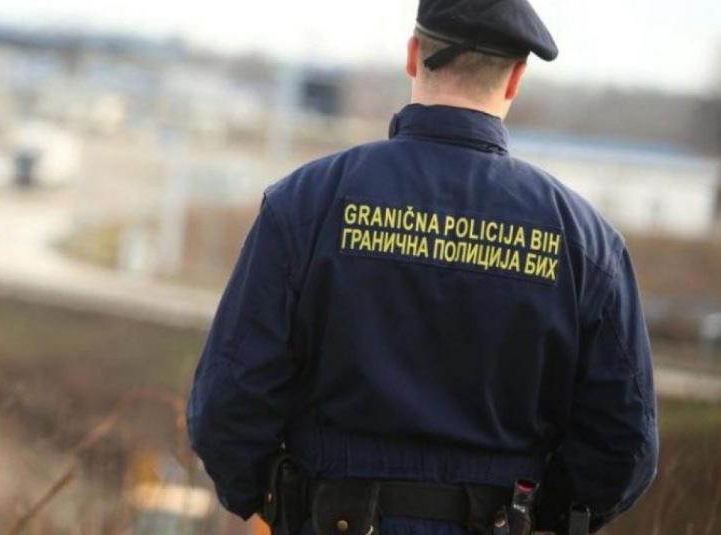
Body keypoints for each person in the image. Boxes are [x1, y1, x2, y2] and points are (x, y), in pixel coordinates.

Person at [187, 0, 659, 533]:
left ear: (413, 55)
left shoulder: (305, 206)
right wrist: (538, 514)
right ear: (515, 79)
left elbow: (227, 407)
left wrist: (284, 505)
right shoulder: (586, 244)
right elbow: (625, 444)